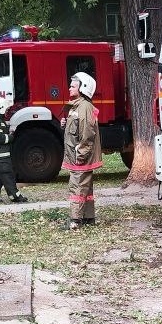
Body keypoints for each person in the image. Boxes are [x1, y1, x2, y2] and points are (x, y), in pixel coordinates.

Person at [61, 71, 102, 230]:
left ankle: (75, 221)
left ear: (83, 88)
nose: (69, 88)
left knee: (77, 187)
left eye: (73, 86)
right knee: (86, 188)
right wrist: (65, 123)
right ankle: (88, 218)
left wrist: (81, 154)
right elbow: (76, 128)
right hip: (76, 155)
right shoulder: (77, 106)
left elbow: (87, 133)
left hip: (79, 157)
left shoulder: (84, 107)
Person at [0, 98, 28, 204]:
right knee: (8, 175)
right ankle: (15, 196)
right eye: (7, 109)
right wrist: (11, 137)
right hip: (1, 155)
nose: (8, 111)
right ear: (1, 109)